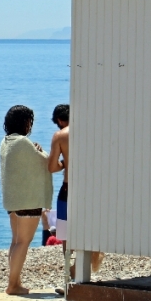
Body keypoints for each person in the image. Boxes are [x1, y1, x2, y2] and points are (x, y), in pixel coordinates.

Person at [0, 105, 53, 295]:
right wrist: (40, 150)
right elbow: (44, 161)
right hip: (28, 200)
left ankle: (15, 281)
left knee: (16, 241)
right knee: (23, 242)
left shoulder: (7, 141)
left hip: (13, 200)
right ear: (25, 122)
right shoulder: (23, 142)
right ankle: (13, 284)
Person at [48, 104, 103, 277]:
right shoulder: (93, 132)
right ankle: (81, 268)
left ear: (59, 120)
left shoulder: (60, 136)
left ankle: (68, 274)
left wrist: (65, 163)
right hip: (91, 188)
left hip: (69, 188)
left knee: (65, 231)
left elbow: (52, 167)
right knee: (89, 229)